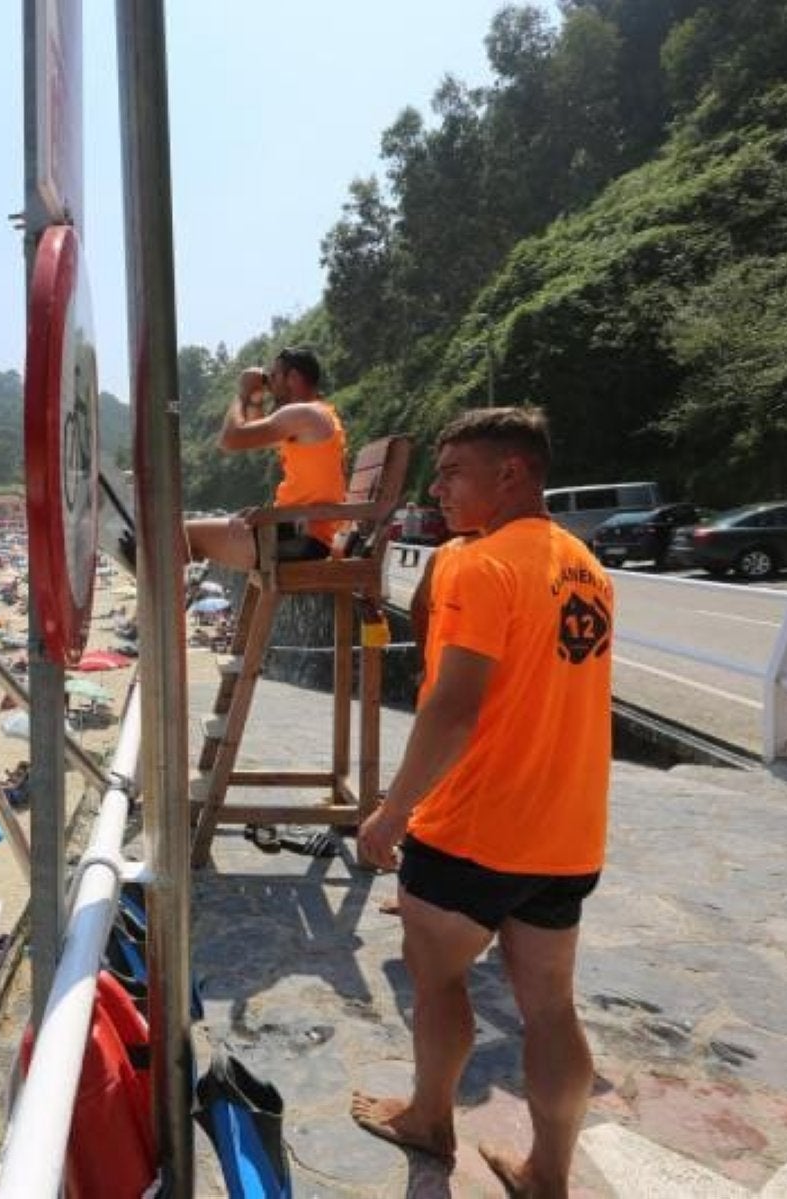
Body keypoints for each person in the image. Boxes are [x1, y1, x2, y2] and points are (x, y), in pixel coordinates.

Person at [349, 408, 613, 1197]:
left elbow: (455, 706)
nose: (438, 487)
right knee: (551, 1009)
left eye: (454, 471)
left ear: (511, 473)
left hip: (472, 827)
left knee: (438, 982)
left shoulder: (480, 563)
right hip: (566, 836)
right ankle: (548, 1174)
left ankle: (431, 1116)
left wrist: (392, 812)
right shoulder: (587, 568)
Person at [184, 346, 347, 571]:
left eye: (274, 376)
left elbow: (230, 440)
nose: (270, 383)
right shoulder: (317, 416)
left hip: (295, 537)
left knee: (180, 536)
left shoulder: (303, 414)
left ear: (292, 377)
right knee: (187, 540)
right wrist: (256, 396)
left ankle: (163, 605)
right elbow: (253, 432)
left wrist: (242, 392)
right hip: (303, 533)